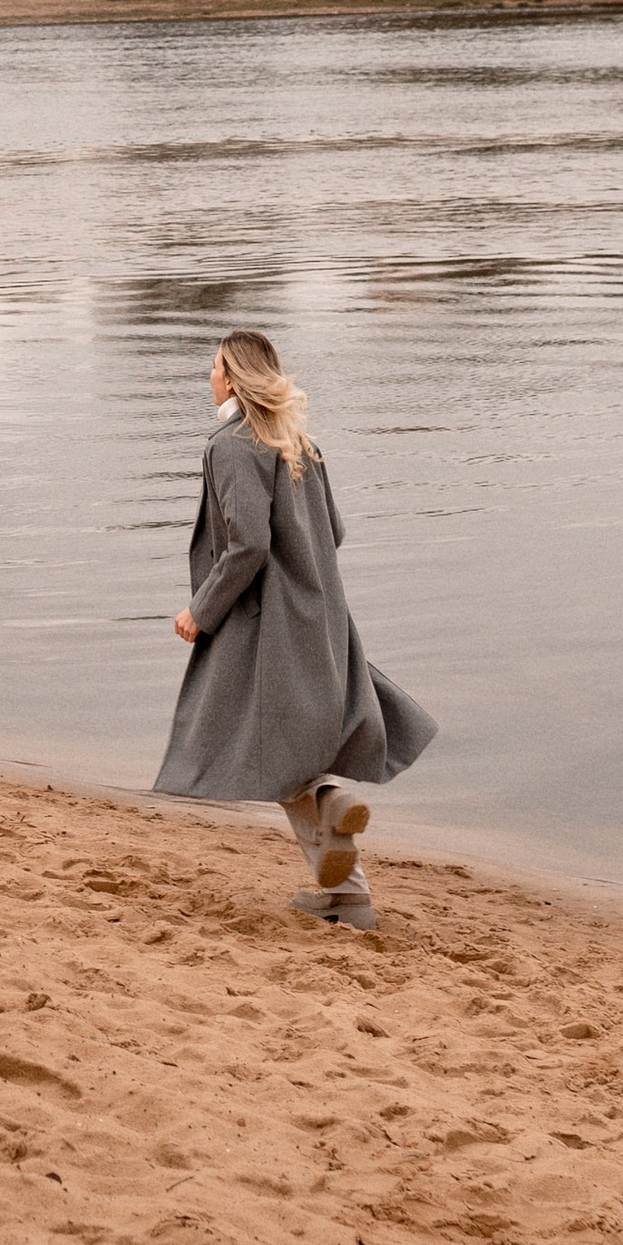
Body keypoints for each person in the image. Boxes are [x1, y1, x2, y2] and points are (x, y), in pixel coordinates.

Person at [154, 327, 434, 929]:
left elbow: (248, 544)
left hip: (265, 623)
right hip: (321, 612)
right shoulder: (299, 441)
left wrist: (200, 610)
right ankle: (349, 894)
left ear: (232, 377)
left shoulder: (231, 446)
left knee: (264, 742)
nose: (209, 376)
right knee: (278, 741)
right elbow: (331, 533)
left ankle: (332, 803)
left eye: (214, 367)